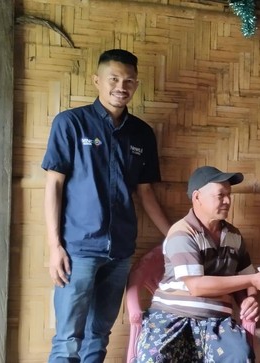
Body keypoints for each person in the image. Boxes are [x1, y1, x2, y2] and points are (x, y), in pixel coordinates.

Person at [42, 49, 171, 362]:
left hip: (121, 252)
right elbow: (54, 185)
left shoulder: (142, 133)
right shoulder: (71, 124)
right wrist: (54, 247)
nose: (120, 86)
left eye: (128, 81)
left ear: (136, 85)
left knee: (98, 337)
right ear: (97, 80)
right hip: (78, 250)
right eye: (113, 78)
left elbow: (145, 192)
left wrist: (174, 235)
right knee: (68, 340)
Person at [136, 166, 260, 362]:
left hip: (217, 322)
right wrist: (253, 279)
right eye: (220, 195)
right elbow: (197, 286)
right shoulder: (182, 232)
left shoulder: (234, 236)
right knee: (153, 358)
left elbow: (247, 278)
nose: (227, 201)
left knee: (240, 357)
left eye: (229, 195)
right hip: (172, 318)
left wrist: (250, 299)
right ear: (197, 197)